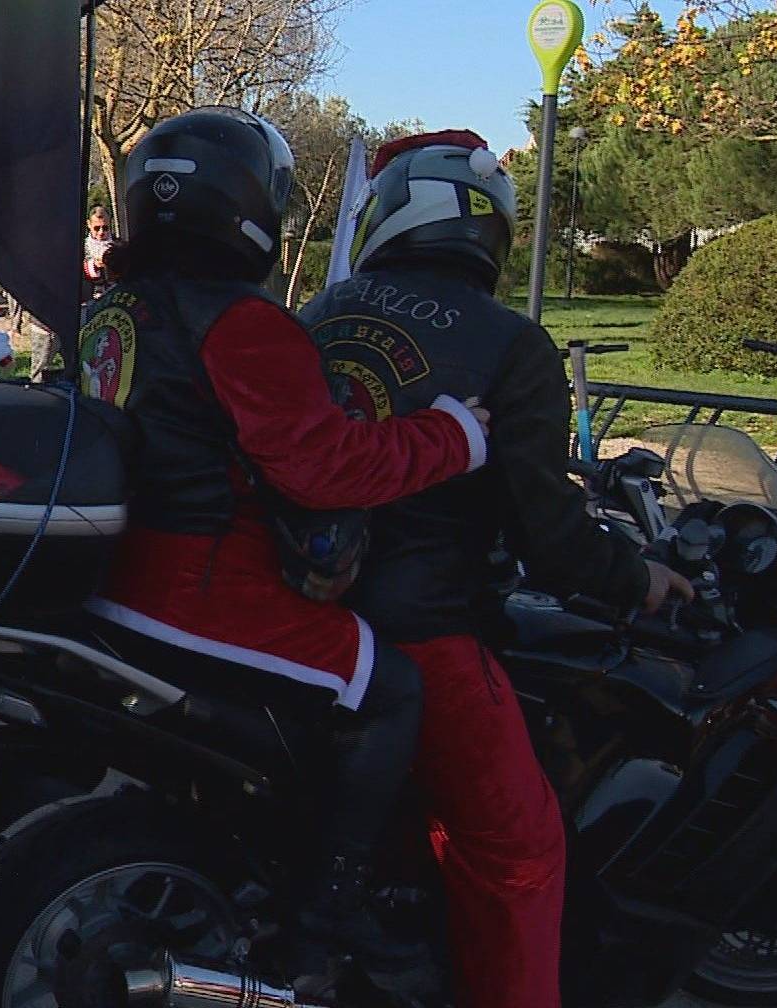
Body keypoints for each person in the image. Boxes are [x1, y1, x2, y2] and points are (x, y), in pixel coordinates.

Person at [75, 108, 491, 974]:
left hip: (115, 574)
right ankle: (329, 911)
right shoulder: (243, 322)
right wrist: (457, 434)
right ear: (245, 203)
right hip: (204, 587)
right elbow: (324, 468)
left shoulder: (112, 309)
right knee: (389, 687)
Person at [298, 130, 691, 1008]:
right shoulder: (510, 343)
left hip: (295, 613)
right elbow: (549, 534)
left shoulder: (316, 316)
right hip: (421, 629)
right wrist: (639, 580)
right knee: (519, 850)